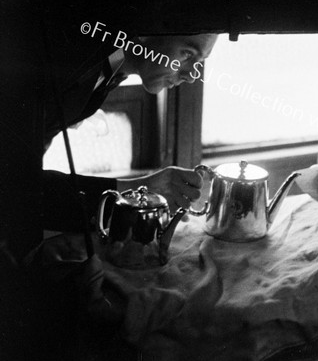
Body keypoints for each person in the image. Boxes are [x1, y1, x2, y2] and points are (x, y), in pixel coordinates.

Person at [41, 17, 219, 241]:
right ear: (145, 29)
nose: (191, 75)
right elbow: (15, 186)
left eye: (200, 60)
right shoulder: (70, 65)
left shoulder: (111, 67)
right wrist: (134, 192)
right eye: (187, 54)